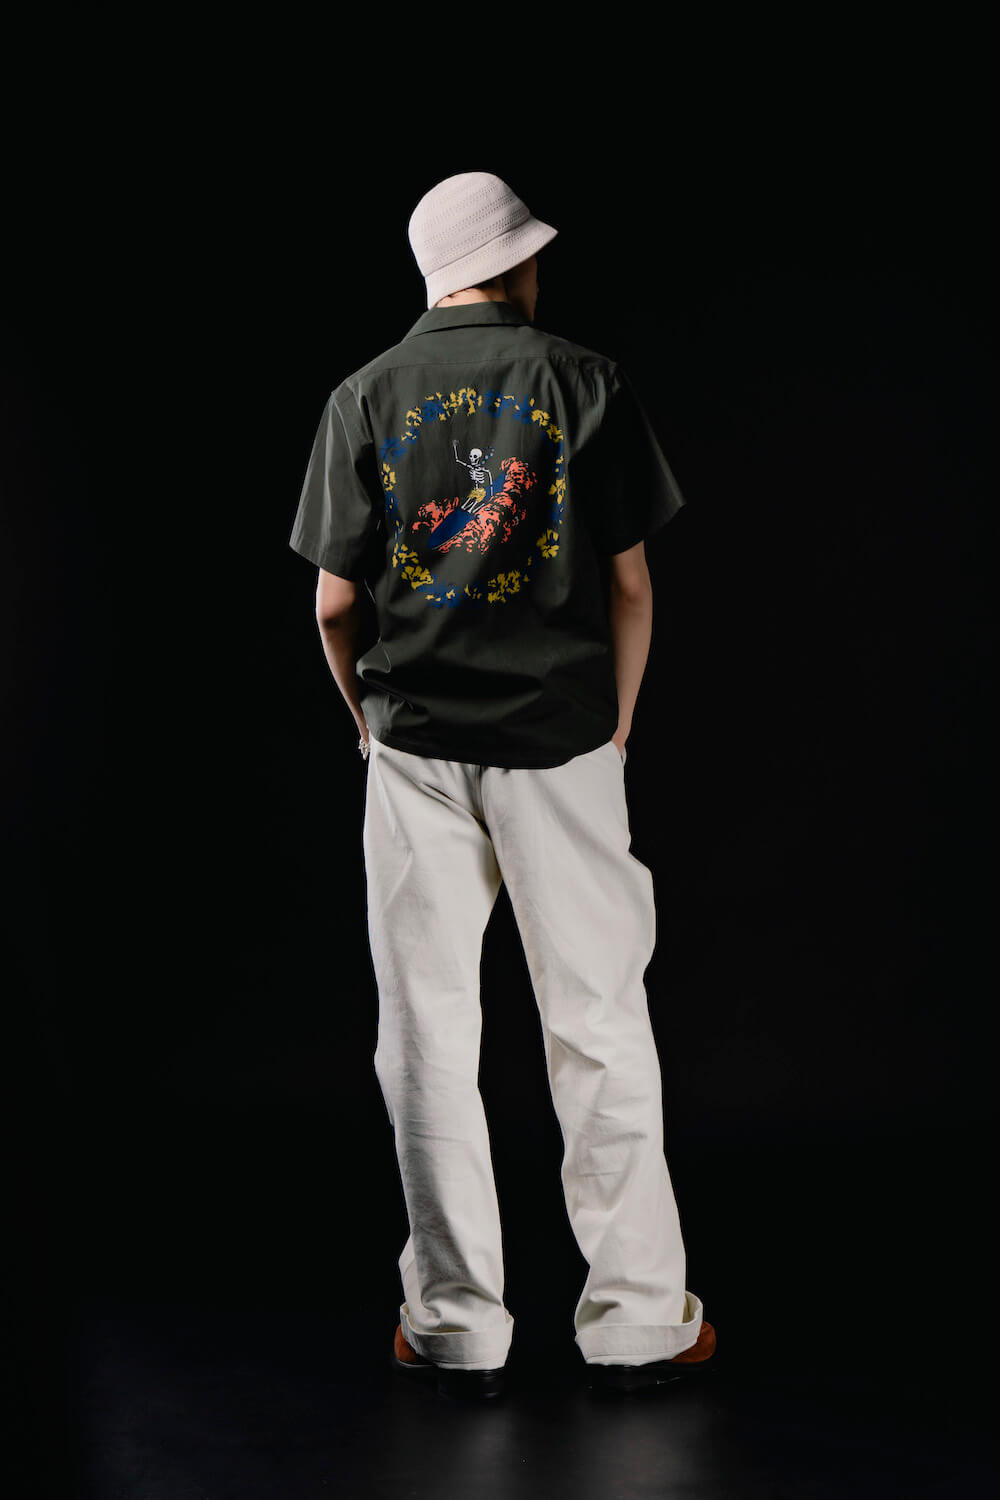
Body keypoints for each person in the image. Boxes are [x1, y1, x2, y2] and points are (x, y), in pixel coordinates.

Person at [288, 171, 716, 1402]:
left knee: (426, 1034)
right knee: (597, 1024)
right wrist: (614, 727)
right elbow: (629, 586)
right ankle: (638, 1322)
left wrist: (368, 726)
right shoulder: (587, 381)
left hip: (414, 751)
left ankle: (454, 1327)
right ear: (515, 264)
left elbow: (332, 606)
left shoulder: (363, 395)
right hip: (562, 742)